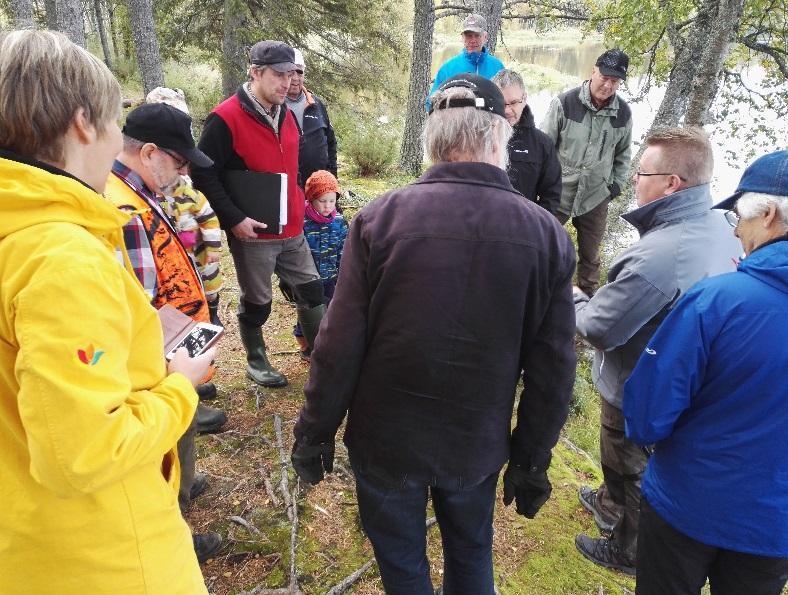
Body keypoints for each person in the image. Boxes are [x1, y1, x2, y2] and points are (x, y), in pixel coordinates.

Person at [291, 74, 577, 594]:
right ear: (499, 138)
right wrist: (532, 458)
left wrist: (314, 431)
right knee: (471, 551)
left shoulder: (382, 218)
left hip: (387, 439)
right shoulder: (545, 235)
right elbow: (553, 368)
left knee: (402, 564)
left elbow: (338, 343)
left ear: (432, 140)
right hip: (475, 442)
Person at [0, 30, 213, 592]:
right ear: (82, 124)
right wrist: (180, 386)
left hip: (25, 537)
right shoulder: (63, 259)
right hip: (103, 554)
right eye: (117, 122)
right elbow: (84, 455)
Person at [572, 127, 742, 575]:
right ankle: (609, 503)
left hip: (638, 386)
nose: (634, 180)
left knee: (629, 461)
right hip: (682, 382)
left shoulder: (659, 256)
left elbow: (597, 326)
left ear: (673, 183)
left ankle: (628, 550)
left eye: (642, 172)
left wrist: (569, 293)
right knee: (623, 459)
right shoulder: (723, 227)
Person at [623, 150, 788, 594]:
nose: (736, 230)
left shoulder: (718, 300)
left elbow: (647, 416)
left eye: (739, 217)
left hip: (688, 506)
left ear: (769, 214)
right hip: (774, 529)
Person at [105, 102, 227, 562]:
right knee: (166, 434)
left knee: (182, 426)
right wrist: (179, 358)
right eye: (179, 163)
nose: (183, 173)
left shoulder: (140, 193)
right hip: (159, 361)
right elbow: (140, 305)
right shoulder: (127, 210)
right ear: (150, 152)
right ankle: (171, 528)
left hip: (174, 351)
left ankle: (183, 481)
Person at [192, 40, 325, 388]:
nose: (287, 82)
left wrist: (304, 199)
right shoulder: (225, 118)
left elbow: (293, 166)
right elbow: (204, 173)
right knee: (259, 302)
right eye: (278, 75)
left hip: (293, 226)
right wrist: (233, 218)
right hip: (253, 232)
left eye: (292, 74)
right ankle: (256, 358)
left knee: (311, 290)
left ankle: (322, 354)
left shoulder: (289, 114)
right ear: (255, 73)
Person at [540, 48, 633, 295]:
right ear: (594, 71)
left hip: (595, 195)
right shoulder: (564, 103)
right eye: (605, 78)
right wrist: (544, 183)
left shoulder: (623, 114)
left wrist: (615, 186)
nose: (608, 85)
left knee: (591, 256)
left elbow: (624, 155)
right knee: (544, 246)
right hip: (559, 191)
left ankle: (588, 303)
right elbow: (544, 147)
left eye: (615, 81)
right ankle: (543, 293)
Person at [146, 87, 225, 327]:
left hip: (194, 247)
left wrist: (212, 244)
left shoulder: (185, 186)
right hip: (165, 264)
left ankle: (210, 311)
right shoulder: (144, 186)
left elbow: (206, 215)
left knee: (206, 277)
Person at [292, 170, 348, 359]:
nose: (327, 206)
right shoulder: (302, 221)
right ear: (311, 198)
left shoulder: (339, 221)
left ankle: (326, 343)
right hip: (307, 278)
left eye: (331, 201)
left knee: (331, 308)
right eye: (322, 201)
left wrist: (343, 272)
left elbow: (344, 248)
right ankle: (305, 343)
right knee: (309, 309)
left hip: (330, 275)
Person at [492, 68, 561, 214]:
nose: (507, 110)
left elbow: (551, 196)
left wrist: (537, 226)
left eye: (514, 102)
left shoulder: (542, 144)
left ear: (524, 98)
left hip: (524, 226)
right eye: (502, 103)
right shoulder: (478, 138)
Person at [426, 14, 504, 109]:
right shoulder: (447, 69)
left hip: (489, 122)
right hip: (456, 122)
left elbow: (504, 100)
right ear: (462, 37)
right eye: (469, 36)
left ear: (485, 37)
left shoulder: (497, 67)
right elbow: (430, 103)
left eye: (477, 35)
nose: (473, 40)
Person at [285, 49, 338, 186]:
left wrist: (332, 180)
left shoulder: (316, 103)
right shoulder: (275, 106)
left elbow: (331, 143)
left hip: (319, 189)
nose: (296, 78)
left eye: (300, 72)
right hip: (289, 187)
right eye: (291, 73)